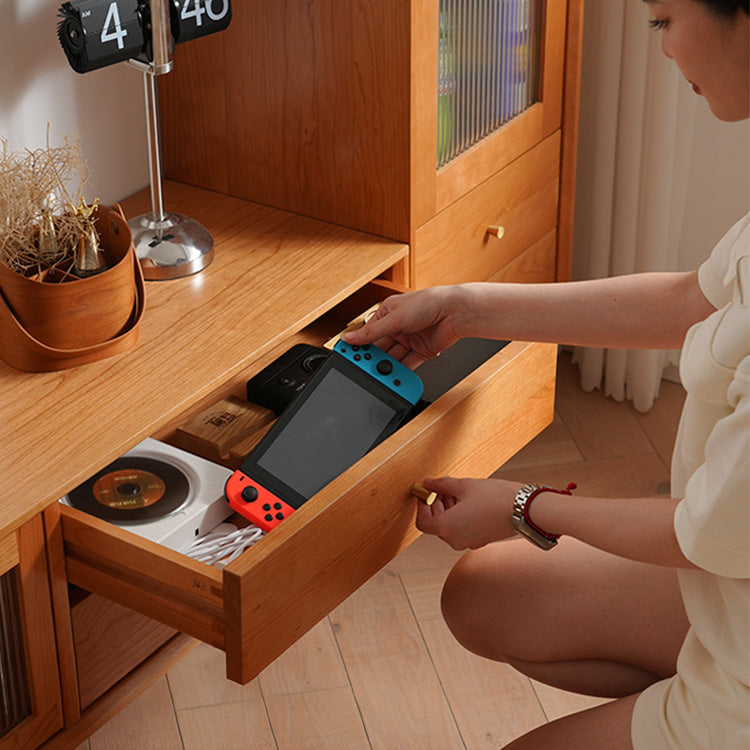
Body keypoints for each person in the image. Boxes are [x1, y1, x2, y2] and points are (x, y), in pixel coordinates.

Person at [343, 1, 750, 747]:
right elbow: (692, 299)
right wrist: (465, 308)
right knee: (487, 593)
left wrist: (526, 505)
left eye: (663, 20)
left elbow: (699, 534)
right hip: (732, 583)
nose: (661, 48)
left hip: (738, 637)